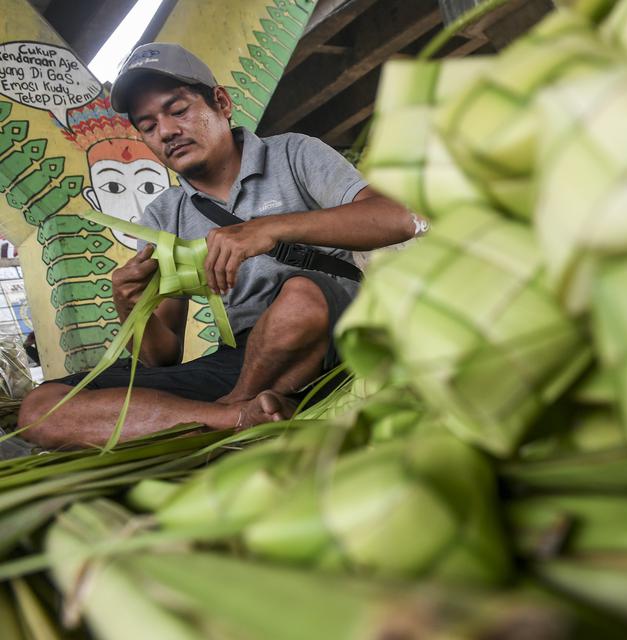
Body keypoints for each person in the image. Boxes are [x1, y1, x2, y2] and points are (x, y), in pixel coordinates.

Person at [17, 44, 416, 448]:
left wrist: (270, 229)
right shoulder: (163, 216)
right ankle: (235, 415)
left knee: (300, 296)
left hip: (338, 331)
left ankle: (235, 406)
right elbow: (161, 356)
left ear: (221, 102)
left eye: (178, 110)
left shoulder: (294, 154)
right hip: (247, 359)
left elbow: (398, 218)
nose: (167, 131)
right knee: (42, 407)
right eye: (149, 125)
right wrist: (131, 307)